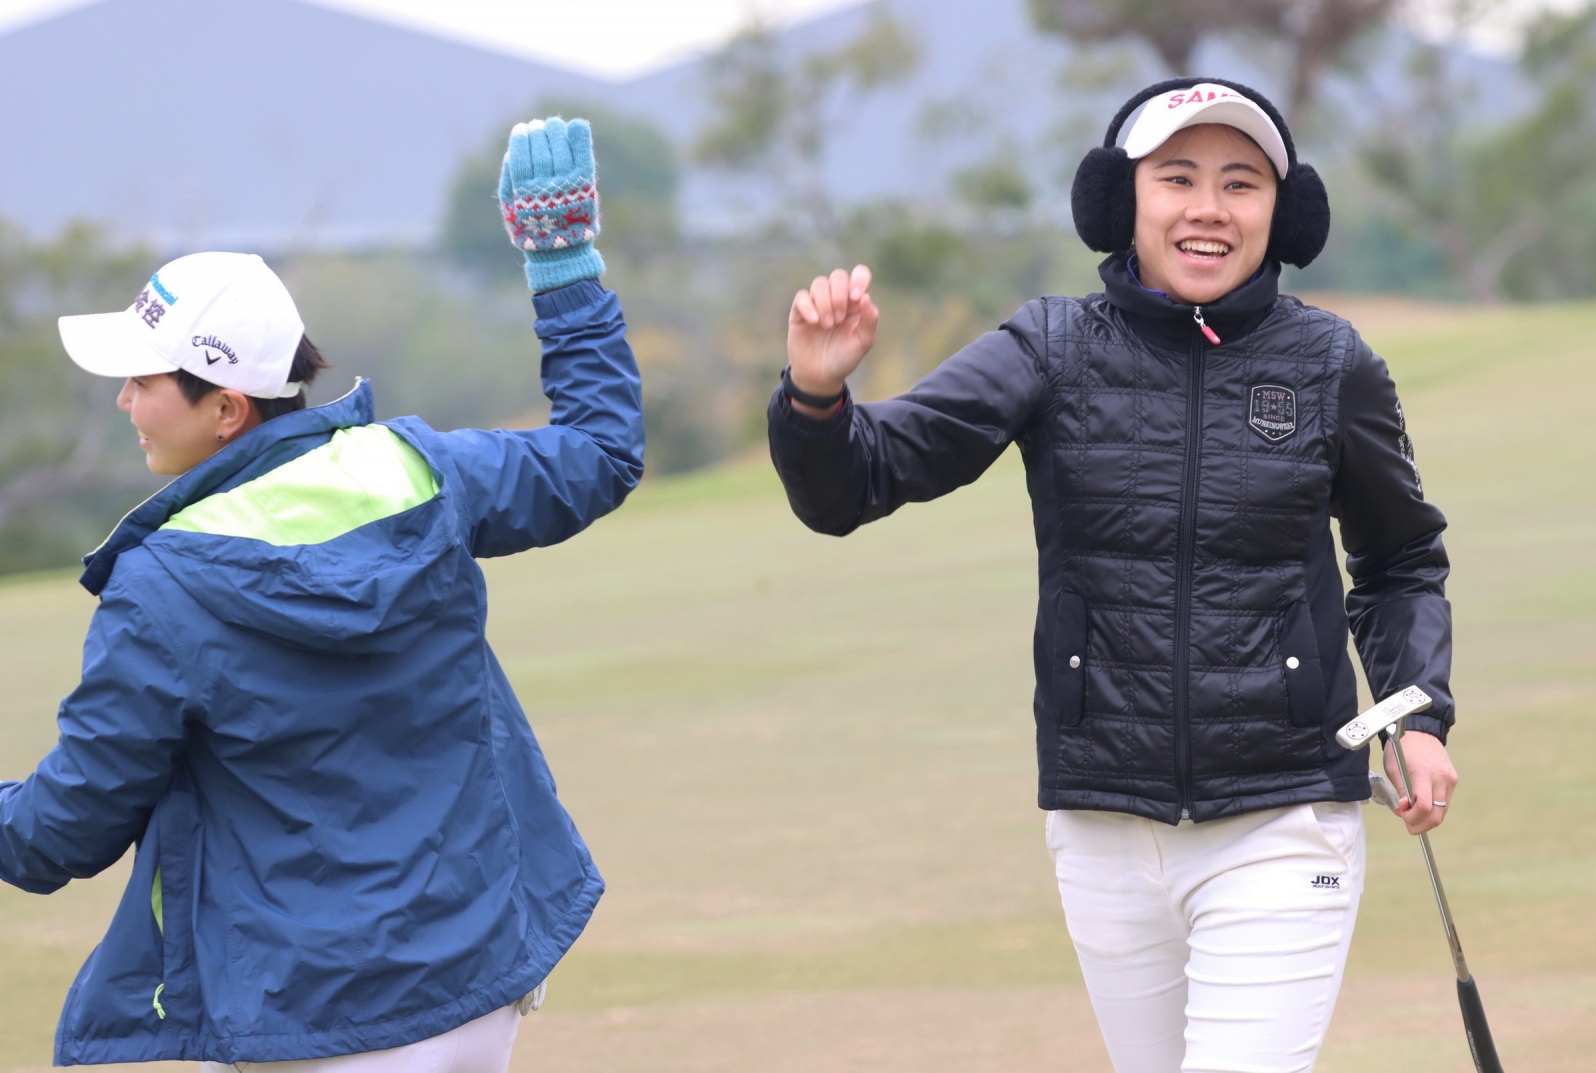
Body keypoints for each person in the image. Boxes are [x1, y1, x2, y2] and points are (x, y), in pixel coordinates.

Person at [767, 78, 1457, 1071]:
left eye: (1241, 182)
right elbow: (859, 482)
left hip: (1284, 814)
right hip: (1100, 821)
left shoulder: (1328, 362)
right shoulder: (1048, 348)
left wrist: (1414, 713)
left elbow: (1397, 558)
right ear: (1121, 201)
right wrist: (817, 394)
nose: (1208, 208)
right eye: (1176, 177)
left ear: (1284, 210)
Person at [0, 117, 642, 1071]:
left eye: (144, 381)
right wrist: (564, 266)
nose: (125, 402)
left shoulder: (162, 585)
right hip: (477, 987)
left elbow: (63, 831)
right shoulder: (418, 468)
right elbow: (598, 452)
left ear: (227, 407)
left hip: (306, 1020)